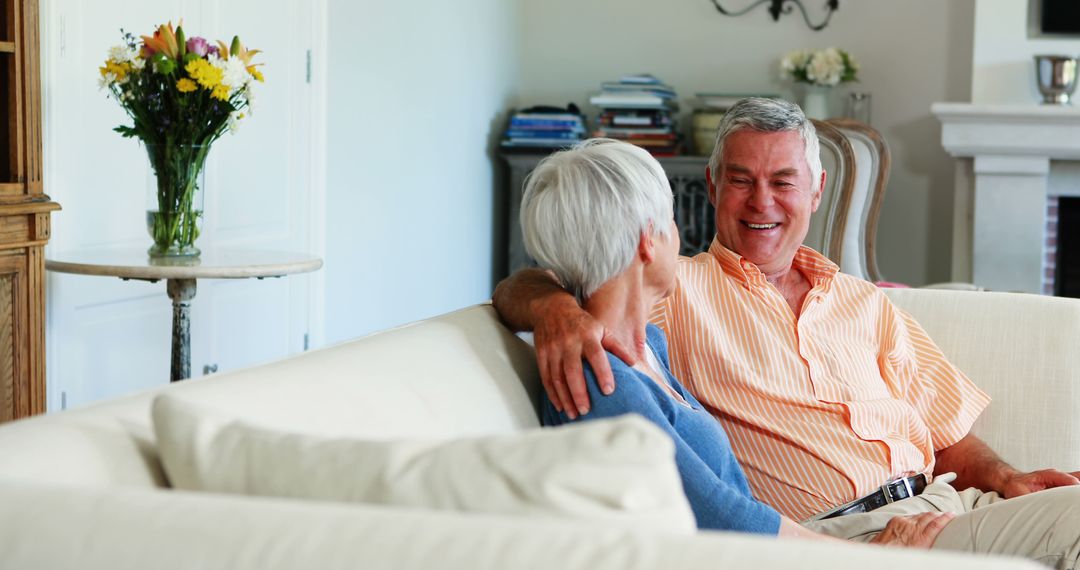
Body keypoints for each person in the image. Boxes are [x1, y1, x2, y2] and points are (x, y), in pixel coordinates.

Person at [494, 98, 1080, 566]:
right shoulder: (673, 301)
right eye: (742, 180)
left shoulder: (864, 302)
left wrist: (1008, 477)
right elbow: (563, 272)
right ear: (714, 185)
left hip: (947, 504)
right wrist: (553, 309)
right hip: (842, 533)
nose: (762, 202)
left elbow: (945, 426)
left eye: (783, 180)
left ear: (817, 190)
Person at [518, 137, 950, 546]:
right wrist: (878, 558)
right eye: (671, 220)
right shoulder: (601, 380)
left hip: (892, 514)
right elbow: (722, 519)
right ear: (648, 241)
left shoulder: (648, 346)